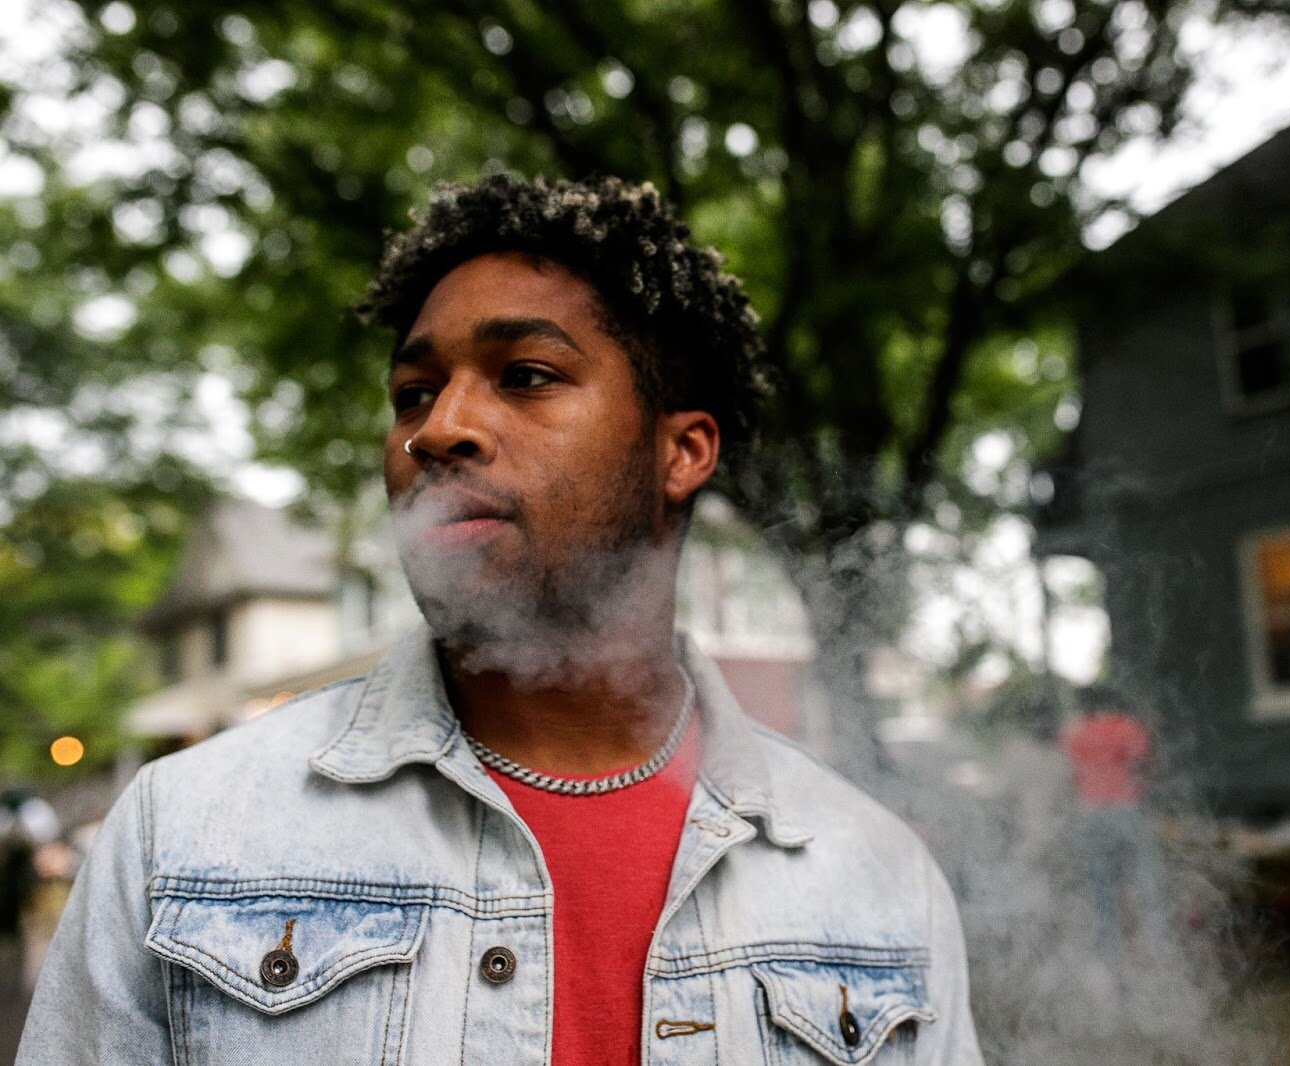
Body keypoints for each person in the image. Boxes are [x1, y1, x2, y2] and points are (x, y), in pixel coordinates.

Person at [19, 174, 982, 1064]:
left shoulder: (878, 877)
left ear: (683, 451)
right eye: (413, 393)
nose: (435, 430)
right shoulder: (183, 836)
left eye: (525, 375)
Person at [1059, 684, 1170, 970]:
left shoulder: (1074, 731)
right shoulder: (1127, 727)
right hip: (1126, 809)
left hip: (1089, 813)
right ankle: (1155, 949)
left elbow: (1070, 775)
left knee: (1100, 885)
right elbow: (1146, 767)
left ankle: (1107, 953)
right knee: (1143, 880)